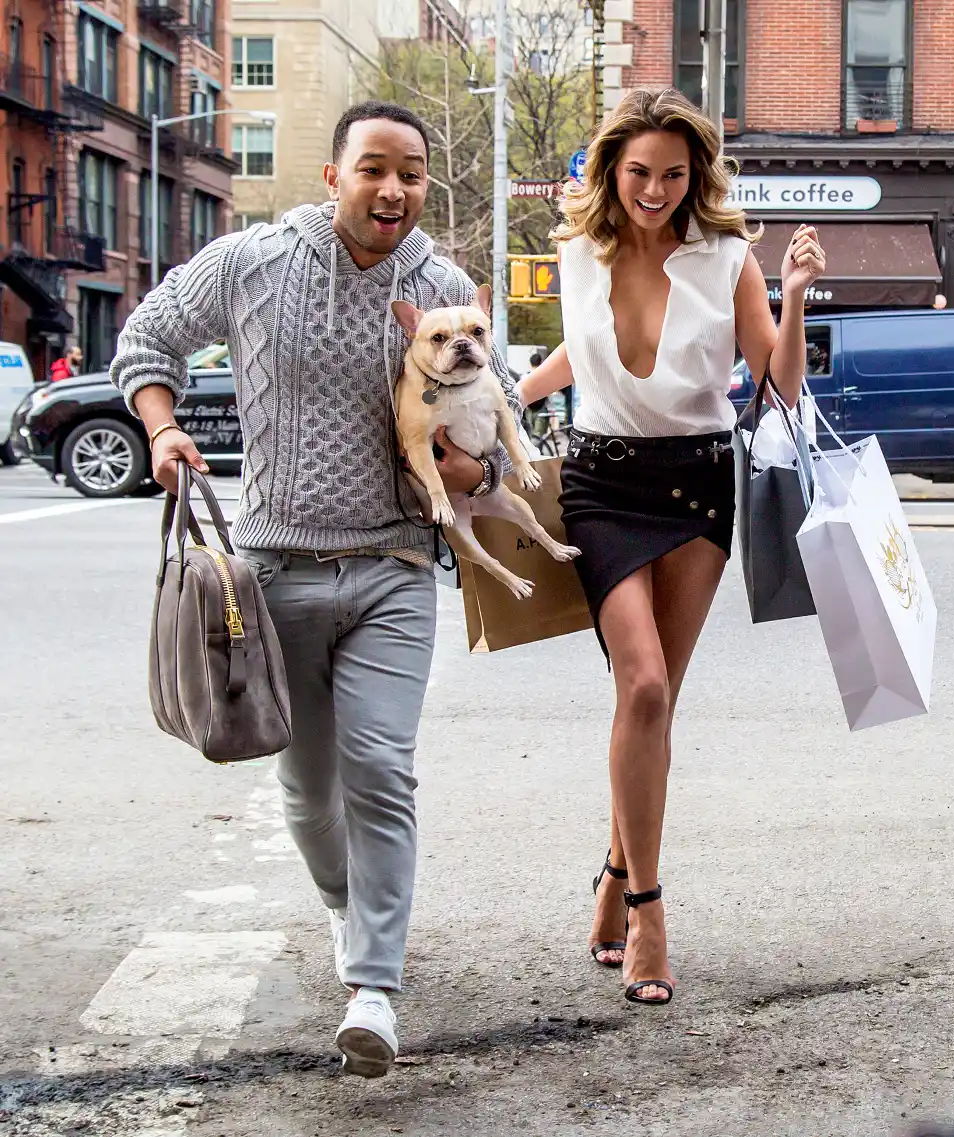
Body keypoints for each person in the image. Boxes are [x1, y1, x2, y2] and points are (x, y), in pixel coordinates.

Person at [110, 100, 517, 1076]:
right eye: (374, 168)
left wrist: (477, 475)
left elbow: (485, 434)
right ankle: (346, 905)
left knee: (380, 766)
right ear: (333, 175)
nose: (394, 188)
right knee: (304, 788)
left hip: (394, 566)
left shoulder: (446, 287)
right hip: (275, 573)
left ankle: (374, 984)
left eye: (412, 172)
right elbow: (147, 340)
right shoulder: (254, 262)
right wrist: (164, 430)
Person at [515, 88, 826, 1007]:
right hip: (601, 484)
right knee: (640, 683)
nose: (655, 189)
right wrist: (512, 404)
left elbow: (774, 378)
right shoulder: (578, 249)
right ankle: (649, 904)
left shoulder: (728, 255)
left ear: (698, 178)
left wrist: (794, 296)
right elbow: (579, 349)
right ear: (613, 169)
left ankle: (614, 872)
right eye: (640, 171)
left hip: (696, 485)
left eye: (674, 174)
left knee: (655, 703)